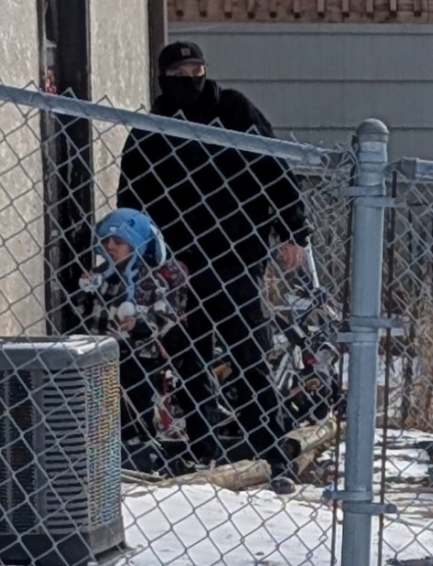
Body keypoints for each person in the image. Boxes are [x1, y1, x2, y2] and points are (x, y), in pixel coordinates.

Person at [116, 41, 309, 486]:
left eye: (196, 71)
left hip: (236, 255)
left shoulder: (233, 111)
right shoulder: (152, 128)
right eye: (179, 74)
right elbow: (132, 195)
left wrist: (293, 229)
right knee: (190, 359)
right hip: (178, 263)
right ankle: (204, 453)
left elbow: (274, 168)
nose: (190, 80)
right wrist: (136, 253)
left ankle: (271, 452)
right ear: (163, 79)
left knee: (249, 356)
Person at [77, 208, 190, 470]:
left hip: (138, 356)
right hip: (101, 353)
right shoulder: (102, 275)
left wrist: (139, 323)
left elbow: (165, 316)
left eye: (118, 242)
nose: (110, 246)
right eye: (106, 241)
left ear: (136, 244)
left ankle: (139, 454)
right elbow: (85, 313)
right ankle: (106, 453)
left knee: (136, 406)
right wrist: (85, 291)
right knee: (101, 405)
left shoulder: (149, 279)